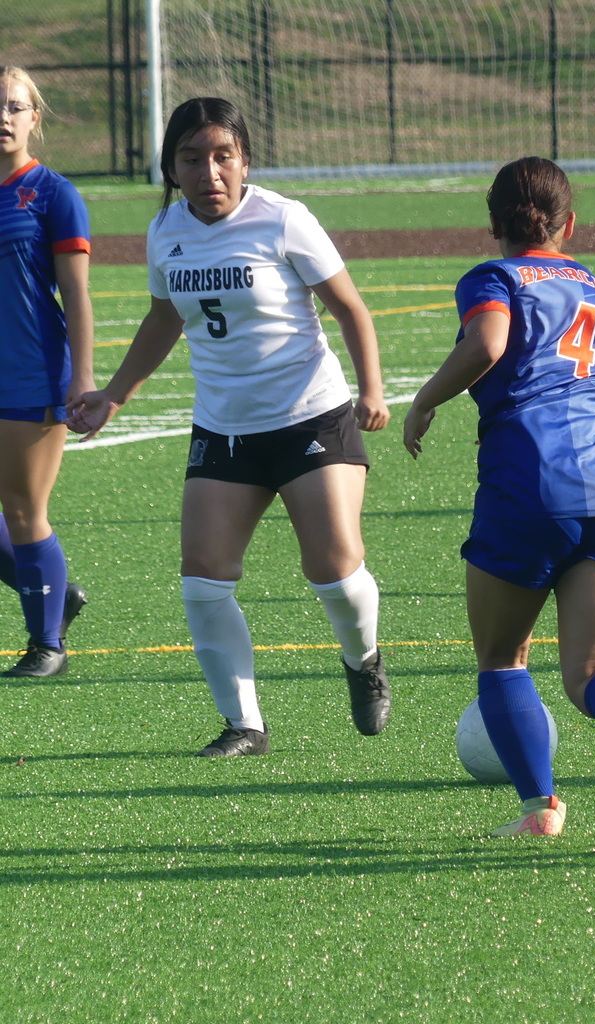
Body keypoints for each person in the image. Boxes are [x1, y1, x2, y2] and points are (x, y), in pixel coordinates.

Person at [68, 97, 391, 754]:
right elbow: (165, 318)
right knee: (203, 577)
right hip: (225, 430)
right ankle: (245, 723)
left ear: (245, 161)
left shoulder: (283, 219)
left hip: (312, 418)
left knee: (332, 568)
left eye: (223, 156)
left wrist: (373, 390)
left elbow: (351, 309)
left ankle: (364, 663)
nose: (210, 171)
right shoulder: (165, 231)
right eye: (192, 158)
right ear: (172, 166)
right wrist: (114, 396)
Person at [403, 156, 595, 836]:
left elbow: (489, 341)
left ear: (493, 223)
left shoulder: (493, 277)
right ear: (570, 224)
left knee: (503, 660)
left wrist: (425, 400)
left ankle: (540, 811)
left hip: (529, 486)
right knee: (593, 675)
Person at [0, 66, 92, 677]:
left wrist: (82, 380)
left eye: (14, 107)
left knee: (23, 509)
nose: (2, 118)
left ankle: (47, 646)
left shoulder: (54, 194)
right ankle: (58, 594)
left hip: (30, 375)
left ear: (36, 117)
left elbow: (77, 296)